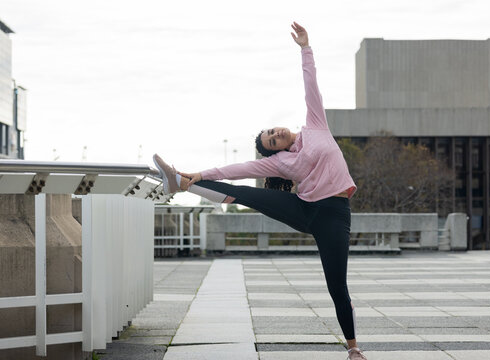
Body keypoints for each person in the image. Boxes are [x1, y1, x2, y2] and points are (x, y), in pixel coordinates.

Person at [153, 22, 366, 360]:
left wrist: (305, 48)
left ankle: (353, 348)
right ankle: (182, 181)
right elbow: (237, 171)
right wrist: (201, 173)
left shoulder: (315, 125)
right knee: (244, 194)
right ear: (273, 151)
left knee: (336, 284)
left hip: (334, 215)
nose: (276, 135)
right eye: (271, 141)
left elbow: (312, 85)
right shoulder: (280, 163)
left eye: (272, 132)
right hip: (303, 207)